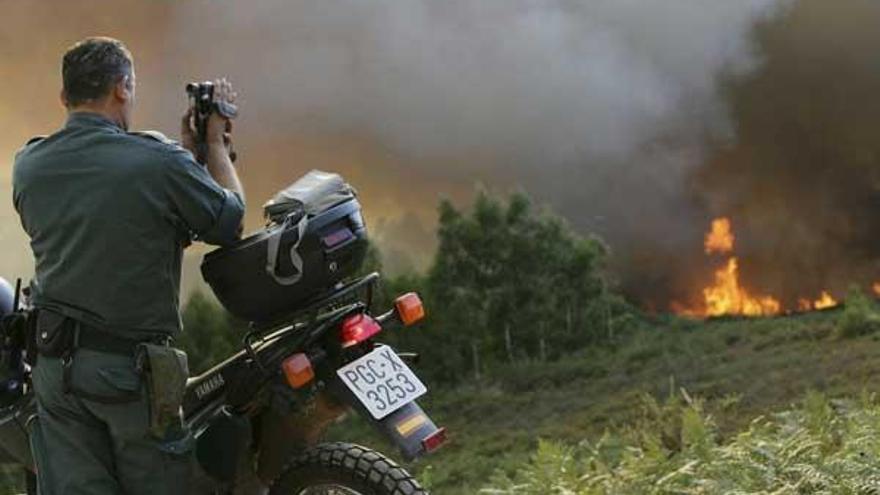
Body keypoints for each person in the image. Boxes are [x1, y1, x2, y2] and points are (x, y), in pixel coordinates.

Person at [12, 36, 245, 494]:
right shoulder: (158, 163)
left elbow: (101, 218)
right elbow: (229, 221)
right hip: (128, 373)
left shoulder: (29, 165)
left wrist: (180, 161)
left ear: (65, 97)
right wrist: (213, 145)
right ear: (122, 88)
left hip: (55, 369)